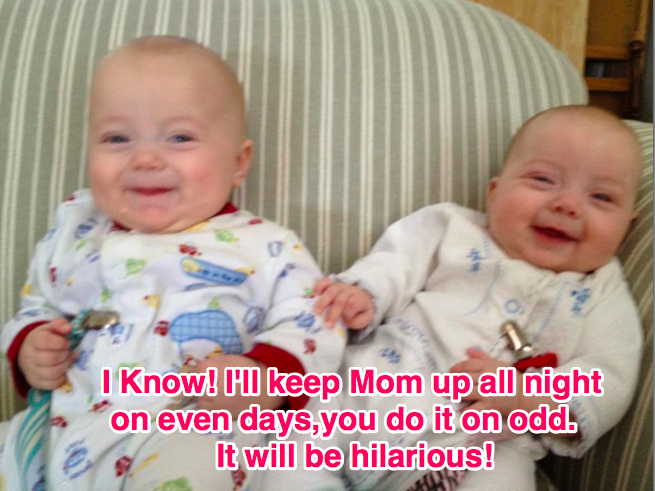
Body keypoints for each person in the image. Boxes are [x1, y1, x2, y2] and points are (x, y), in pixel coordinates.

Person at [0, 36, 346, 491]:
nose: (144, 158)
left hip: (195, 430)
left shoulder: (266, 245)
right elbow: (37, 304)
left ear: (238, 162)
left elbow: (315, 324)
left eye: (180, 138)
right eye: (116, 138)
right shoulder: (76, 227)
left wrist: (264, 377)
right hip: (60, 434)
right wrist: (30, 345)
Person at [313, 106, 644, 491]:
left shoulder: (603, 292)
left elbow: (609, 375)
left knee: (503, 478)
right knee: (296, 452)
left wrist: (528, 401)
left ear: (627, 227)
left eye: (601, 197)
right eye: (542, 179)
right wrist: (363, 293)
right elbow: (394, 262)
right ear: (494, 192)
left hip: (477, 445)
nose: (567, 205)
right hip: (363, 395)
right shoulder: (451, 227)